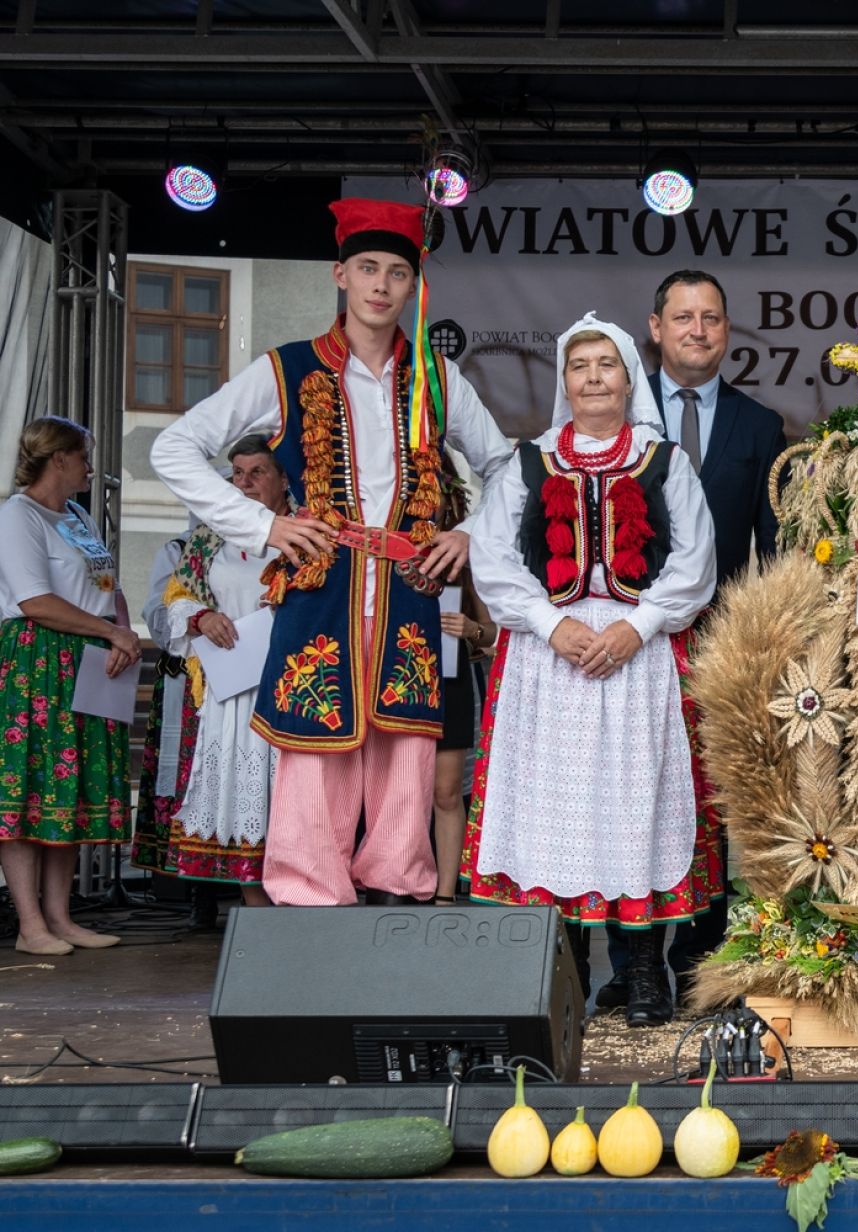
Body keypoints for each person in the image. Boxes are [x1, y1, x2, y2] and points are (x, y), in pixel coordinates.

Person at [151, 198, 512, 907]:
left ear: (413, 287)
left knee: (406, 754)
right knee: (314, 748)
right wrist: (265, 528)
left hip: (408, 587)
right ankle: (310, 899)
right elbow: (176, 447)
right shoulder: (286, 370)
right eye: (369, 268)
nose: (382, 285)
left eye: (398, 273)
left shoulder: (437, 379)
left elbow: (505, 465)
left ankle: (400, 894)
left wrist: (470, 534)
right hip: (321, 583)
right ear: (339, 274)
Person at [465, 312, 719, 1024]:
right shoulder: (529, 461)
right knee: (556, 810)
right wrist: (553, 624)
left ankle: (641, 973)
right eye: (581, 366)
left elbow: (695, 564)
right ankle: (566, 976)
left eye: (607, 364)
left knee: (635, 806)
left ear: (627, 378)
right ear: (565, 381)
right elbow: (496, 562)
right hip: (550, 662)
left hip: (639, 661)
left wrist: (637, 627)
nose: (594, 377)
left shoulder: (664, 459)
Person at [596, 271, 786, 1011]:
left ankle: (704, 961)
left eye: (710, 318)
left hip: (722, 643)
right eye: (683, 317)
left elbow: (772, 551)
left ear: (726, 331)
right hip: (629, 640)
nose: (697, 331)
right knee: (629, 795)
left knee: (709, 798)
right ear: (654, 327)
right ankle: (630, 962)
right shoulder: (618, 415)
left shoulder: (759, 425)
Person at [0, 417, 138, 955]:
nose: (89, 464)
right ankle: (30, 925)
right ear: (58, 459)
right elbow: (35, 600)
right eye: (83, 455)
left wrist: (120, 633)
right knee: (33, 784)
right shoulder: (19, 515)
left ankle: (61, 916)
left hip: (89, 656)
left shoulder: (77, 515)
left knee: (71, 788)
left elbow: (108, 586)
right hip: (39, 659)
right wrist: (110, 631)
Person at [158, 436, 293, 912]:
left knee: (292, 802)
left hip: (292, 689)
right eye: (237, 473)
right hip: (233, 688)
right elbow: (177, 596)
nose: (245, 483)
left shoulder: (305, 531)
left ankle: (304, 911)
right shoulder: (210, 535)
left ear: (282, 477)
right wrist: (202, 618)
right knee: (242, 802)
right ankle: (258, 915)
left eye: (257, 472)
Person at [430, 453, 496, 904]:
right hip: (389, 679)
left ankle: (444, 893)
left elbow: (494, 634)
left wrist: (468, 630)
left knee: (447, 791)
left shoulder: (468, 555)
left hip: (449, 678)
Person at [128, 533, 198, 910]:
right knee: (186, 778)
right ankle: (188, 884)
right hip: (191, 677)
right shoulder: (181, 549)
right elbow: (158, 615)